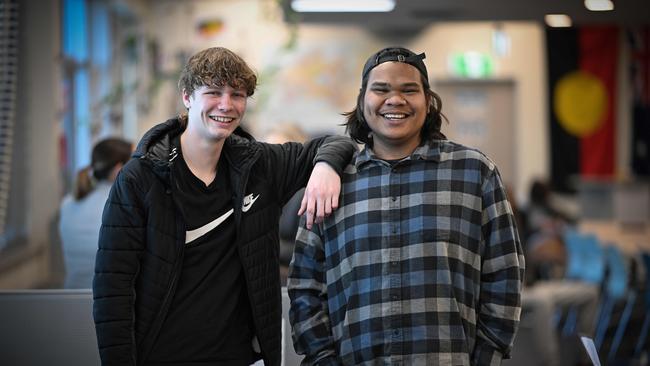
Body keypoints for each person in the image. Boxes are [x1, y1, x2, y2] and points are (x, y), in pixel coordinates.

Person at [93, 47, 357, 366]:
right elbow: (113, 288)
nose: (226, 105)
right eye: (214, 92)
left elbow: (336, 141)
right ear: (187, 96)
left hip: (242, 357)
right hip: (162, 356)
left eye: (237, 94)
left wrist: (325, 167)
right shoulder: (141, 177)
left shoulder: (259, 165)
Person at [288, 47, 525, 365]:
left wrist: (488, 355)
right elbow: (305, 284)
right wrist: (322, 358)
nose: (395, 100)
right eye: (381, 90)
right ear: (362, 102)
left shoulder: (475, 172)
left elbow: (505, 271)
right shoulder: (331, 183)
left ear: (428, 102)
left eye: (409, 90)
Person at [58, 137, 132, 289]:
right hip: (109, 303)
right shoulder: (125, 205)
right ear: (119, 169)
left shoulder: (68, 203)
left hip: (69, 298)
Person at [260, 122, 310, 285]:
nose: (272, 159)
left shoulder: (306, 195)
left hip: (291, 281)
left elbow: (308, 250)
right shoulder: (258, 192)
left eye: (279, 152)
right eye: (268, 151)